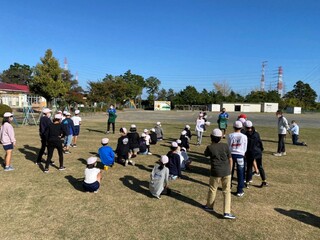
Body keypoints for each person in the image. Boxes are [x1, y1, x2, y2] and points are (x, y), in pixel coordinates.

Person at [202, 128, 235, 219]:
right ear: (220, 137)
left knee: (213, 189)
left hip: (215, 171)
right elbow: (230, 159)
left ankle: (209, 206)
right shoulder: (225, 146)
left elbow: (205, 154)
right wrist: (230, 170)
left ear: (211, 137)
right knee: (227, 191)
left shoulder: (210, 147)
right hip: (226, 171)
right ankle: (227, 212)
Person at [244, 120, 268, 188]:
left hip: (250, 152)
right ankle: (264, 180)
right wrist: (261, 149)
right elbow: (260, 142)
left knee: (249, 167)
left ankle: (247, 182)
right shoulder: (256, 133)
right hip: (258, 152)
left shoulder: (245, 135)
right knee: (260, 166)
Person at [228, 120, 247, 197]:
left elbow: (229, 145)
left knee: (230, 171)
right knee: (240, 173)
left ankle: (228, 186)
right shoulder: (244, 136)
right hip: (240, 155)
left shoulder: (230, 135)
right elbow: (245, 147)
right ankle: (240, 190)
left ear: (234, 127)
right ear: (241, 127)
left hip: (231, 154)